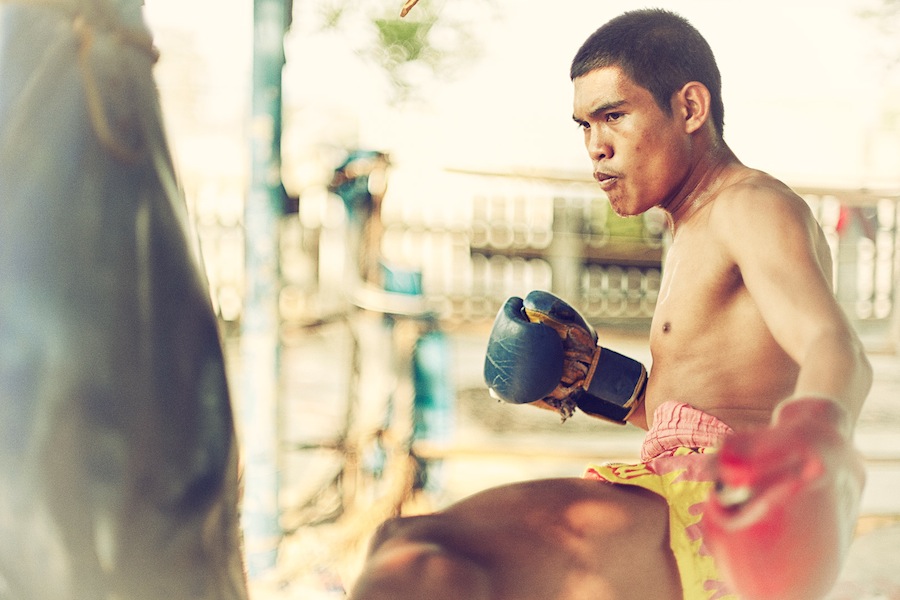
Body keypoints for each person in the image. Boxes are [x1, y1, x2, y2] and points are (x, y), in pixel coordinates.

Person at [348, 8, 872, 600]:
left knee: (417, 563)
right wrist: (596, 381)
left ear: (690, 108)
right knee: (397, 543)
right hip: (683, 500)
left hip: (719, 510)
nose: (596, 147)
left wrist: (810, 455)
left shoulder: (748, 204)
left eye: (614, 116)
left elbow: (836, 347)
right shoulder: (692, 225)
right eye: (584, 126)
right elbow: (707, 401)